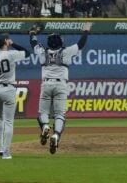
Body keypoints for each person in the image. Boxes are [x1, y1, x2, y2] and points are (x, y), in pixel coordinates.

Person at [29, 22, 91, 154]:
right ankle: (56, 135)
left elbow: (33, 43)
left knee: (43, 113)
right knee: (60, 114)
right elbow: (81, 44)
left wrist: (33, 33)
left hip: (46, 84)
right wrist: (86, 31)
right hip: (61, 85)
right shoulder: (66, 52)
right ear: (60, 42)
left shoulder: (43, 52)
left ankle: (45, 126)